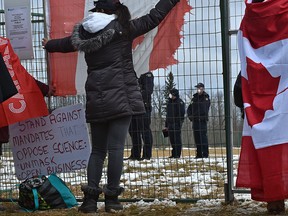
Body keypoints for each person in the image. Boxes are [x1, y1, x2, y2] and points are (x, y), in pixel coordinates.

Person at [42, 0, 180, 213]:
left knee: (97, 151)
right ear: (115, 9)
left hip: (97, 97)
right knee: (116, 149)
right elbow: (154, 17)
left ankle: (89, 202)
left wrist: (49, 44)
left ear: (97, 9)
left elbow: (65, 44)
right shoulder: (123, 28)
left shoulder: (84, 33)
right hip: (121, 95)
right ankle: (112, 200)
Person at [126, 71, 154, 161]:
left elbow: (148, 91)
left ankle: (146, 155)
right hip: (132, 107)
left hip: (143, 107)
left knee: (145, 131)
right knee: (133, 131)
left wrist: (133, 94)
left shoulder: (146, 74)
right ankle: (135, 154)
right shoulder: (131, 73)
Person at [187, 83, 210, 158]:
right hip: (195, 121)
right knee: (197, 138)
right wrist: (191, 117)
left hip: (202, 121)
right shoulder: (194, 98)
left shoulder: (205, 97)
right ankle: (199, 154)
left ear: (203, 88)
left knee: (203, 138)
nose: (198, 90)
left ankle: (205, 154)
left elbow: (204, 108)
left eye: (199, 88)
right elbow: (189, 108)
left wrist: (199, 115)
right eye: (197, 88)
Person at [164, 88, 185, 158]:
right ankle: (173, 154)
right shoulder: (169, 103)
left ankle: (177, 154)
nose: (169, 95)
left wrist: (178, 123)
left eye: (171, 94)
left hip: (176, 124)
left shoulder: (180, 102)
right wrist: (166, 125)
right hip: (170, 124)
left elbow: (181, 114)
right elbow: (167, 115)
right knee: (172, 140)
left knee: (177, 140)